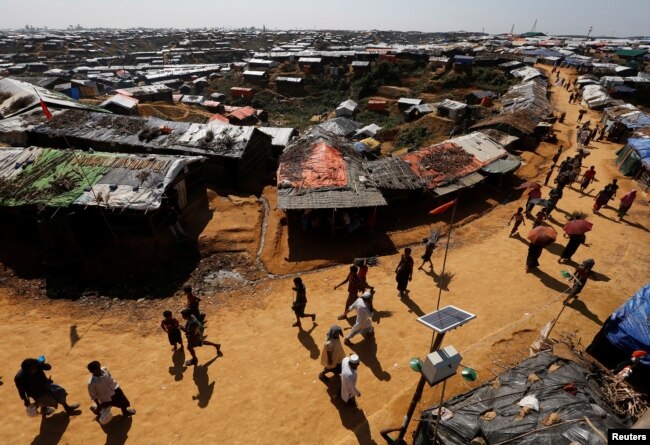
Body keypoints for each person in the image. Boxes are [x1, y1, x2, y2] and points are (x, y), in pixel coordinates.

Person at [15, 358, 80, 417]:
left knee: (60, 392)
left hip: (46, 384)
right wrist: (25, 400)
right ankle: (44, 410)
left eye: (34, 368)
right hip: (36, 393)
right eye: (31, 369)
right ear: (25, 370)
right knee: (46, 401)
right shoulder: (19, 378)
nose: (33, 370)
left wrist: (40, 363)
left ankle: (67, 408)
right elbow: (21, 390)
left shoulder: (37, 365)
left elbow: (49, 367)